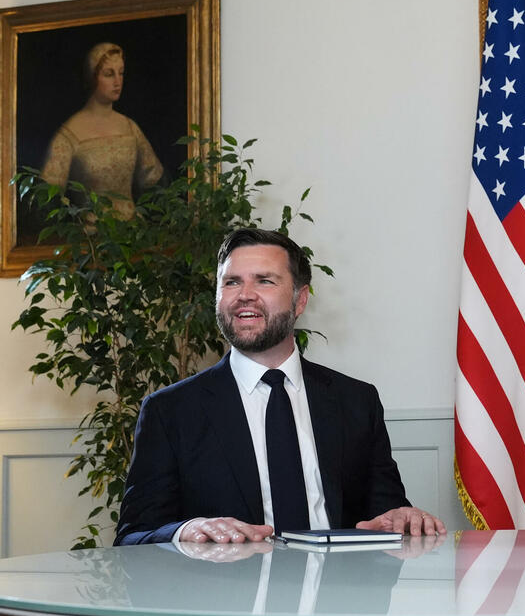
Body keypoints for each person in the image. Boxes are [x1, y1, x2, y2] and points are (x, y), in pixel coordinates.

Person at [116, 228, 445, 545]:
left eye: (264, 280)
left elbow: (387, 515)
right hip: (228, 584)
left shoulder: (357, 401)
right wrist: (186, 530)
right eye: (231, 282)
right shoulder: (170, 411)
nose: (245, 294)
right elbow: (133, 537)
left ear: (300, 300)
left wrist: (401, 518)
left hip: (340, 583)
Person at [42, 42, 164, 219]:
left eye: (121, 73)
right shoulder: (70, 134)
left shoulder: (130, 127)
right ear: (93, 78)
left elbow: (154, 180)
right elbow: (48, 197)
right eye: (109, 74)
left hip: (134, 232)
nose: (117, 82)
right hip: (91, 234)